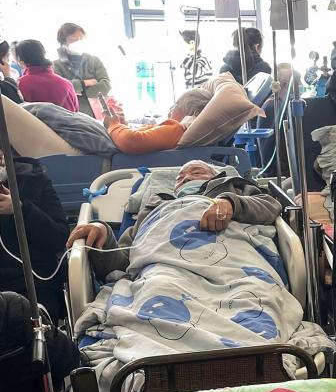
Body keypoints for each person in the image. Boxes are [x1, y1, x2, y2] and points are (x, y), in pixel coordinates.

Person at [66, 160, 281, 282]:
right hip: (164, 275)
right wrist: (102, 233)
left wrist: (230, 203)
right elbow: (122, 263)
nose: (186, 178)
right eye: (179, 178)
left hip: (234, 268)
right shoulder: (155, 209)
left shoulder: (234, 188)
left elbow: (270, 206)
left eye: (196, 172)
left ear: (215, 176)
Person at [0, 152, 69, 322]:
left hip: (32, 282)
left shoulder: (35, 181)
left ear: (2, 155)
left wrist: (20, 209)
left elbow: (59, 237)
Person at [103, 88, 212, 154]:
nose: (170, 109)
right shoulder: (174, 130)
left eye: (176, 105)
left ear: (191, 112)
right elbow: (142, 135)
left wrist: (113, 124)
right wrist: (123, 125)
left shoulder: (176, 129)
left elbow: (132, 140)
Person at [53, 23, 111, 118]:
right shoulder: (56, 65)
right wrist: (84, 83)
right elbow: (62, 89)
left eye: (81, 39)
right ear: (63, 42)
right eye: (73, 39)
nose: (78, 42)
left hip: (99, 114)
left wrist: (80, 92)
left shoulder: (94, 60)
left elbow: (106, 85)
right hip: (74, 116)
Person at [14, 40, 78, 112]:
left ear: (21, 60)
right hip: (68, 123)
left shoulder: (20, 84)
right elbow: (76, 114)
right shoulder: (66, 84)